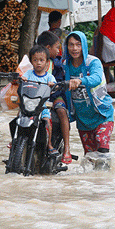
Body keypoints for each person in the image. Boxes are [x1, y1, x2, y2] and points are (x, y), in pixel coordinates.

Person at [63, 31, 115, 156]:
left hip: (101, 114)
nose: (74, 48)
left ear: (84, 46)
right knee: (90, 156)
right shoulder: (65, 65)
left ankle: (105, 175)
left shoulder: (93, 62)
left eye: (78, 45)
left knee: (102, 149)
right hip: (82, 120)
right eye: (71, 45)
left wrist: (80, 80)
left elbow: (96, 78)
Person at [37, 30, 72, 163]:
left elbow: (62, 79)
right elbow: (24, 71)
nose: (59, 50)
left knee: (62, 111)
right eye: (57, 47)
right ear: (47, 48)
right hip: (37, 96)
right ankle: (16, 141)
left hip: (55, 95)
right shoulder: (33, 61)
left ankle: (67, 148)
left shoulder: (57, 63)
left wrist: (58, 85)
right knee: (22, 109)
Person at [21, 45, 58, 155]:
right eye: (35, 60)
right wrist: (22, 79)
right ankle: (15, 141)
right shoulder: (28, 74)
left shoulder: (49, 77)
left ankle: (49, 144)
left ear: (47, 62)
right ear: (31, 61)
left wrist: (53, 86)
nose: (38, 63)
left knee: (47, 121)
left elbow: (56, 87)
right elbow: (22, 81)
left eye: (41, 60)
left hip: (42, 107)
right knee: (19, 116)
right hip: (28, 105)